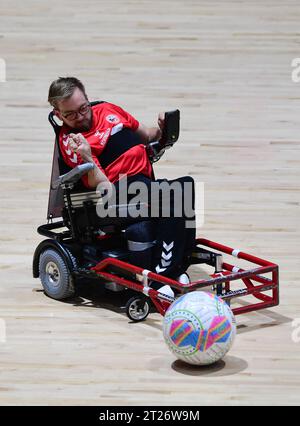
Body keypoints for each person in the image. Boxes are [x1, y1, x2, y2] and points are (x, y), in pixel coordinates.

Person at [47, 77, 195, 293]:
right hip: (117, 192)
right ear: (59, 115)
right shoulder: (71, 142)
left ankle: (179, 266)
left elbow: (146, 135)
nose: (80, 117)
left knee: (187, 187)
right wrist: (87, 156)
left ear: (88, 99)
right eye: (70, 115)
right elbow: (102, 186)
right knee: (173, 197)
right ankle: (162, 278)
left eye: (83, 108)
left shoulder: (108, 110)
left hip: (143, 183)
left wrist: (164, 130)